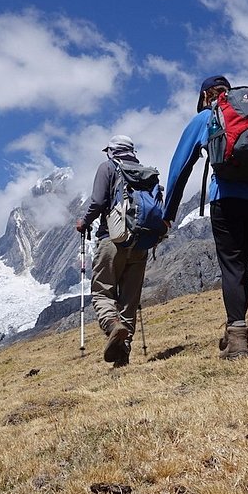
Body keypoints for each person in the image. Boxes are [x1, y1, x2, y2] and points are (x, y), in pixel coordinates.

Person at [163, 75, 248, 358]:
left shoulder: (208, 118)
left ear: (208, 94)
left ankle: (237, 339)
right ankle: (235, 328)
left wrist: (168, 212)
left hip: (227, 200)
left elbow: (180, 166)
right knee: (241, 266)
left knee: (233, 267)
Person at [76, 135, 150, 368]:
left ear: (111, 150)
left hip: (112, 240)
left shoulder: (108, 167)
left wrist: (84, 223)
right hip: (140, 243)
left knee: (102, 291)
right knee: (129, 300)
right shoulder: (143, 172)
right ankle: (123, 353)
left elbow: (98, 202)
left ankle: (111, 324)